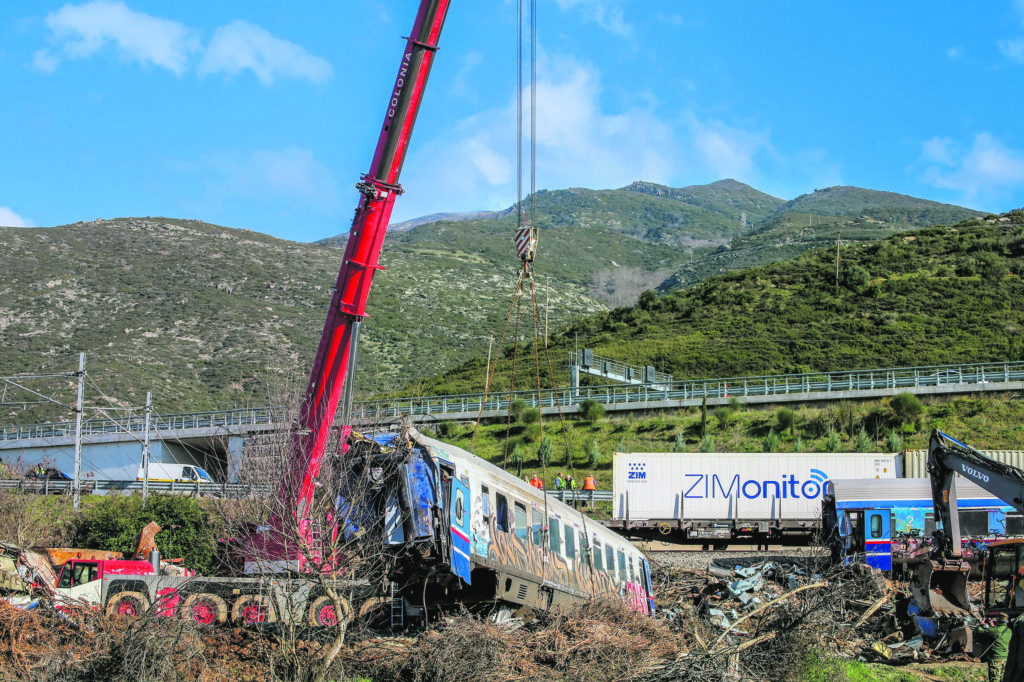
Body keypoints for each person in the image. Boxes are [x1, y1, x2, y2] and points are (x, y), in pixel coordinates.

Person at [977, 613, 1012, 682]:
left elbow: (980, 632)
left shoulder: (994, 630)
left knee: (994, 678)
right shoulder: (1009, 631)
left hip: (996, 658)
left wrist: (980, 625)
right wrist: (993, 627)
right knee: (1003, 678)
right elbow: (997, 633)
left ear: (998, 620)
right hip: (1006, 658)